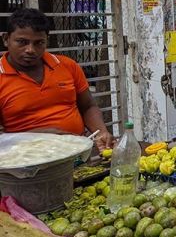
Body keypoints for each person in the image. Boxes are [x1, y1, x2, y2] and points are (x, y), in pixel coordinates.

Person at [0, 8, 112, 151]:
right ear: (5, 39)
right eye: (22, 42)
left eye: (39, 43)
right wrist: (40, 137)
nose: (30, 50)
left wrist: (101, 131)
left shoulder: (67, 65)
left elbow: (88, 106)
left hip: (76, 154)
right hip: (24, 162)